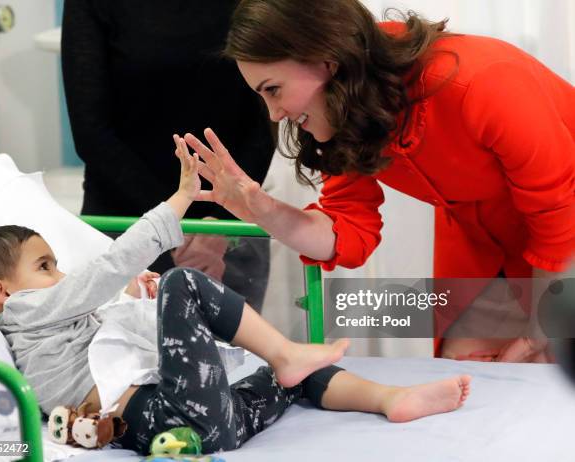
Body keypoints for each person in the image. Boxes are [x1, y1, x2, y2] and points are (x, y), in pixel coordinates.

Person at [0, 137, 470, 455]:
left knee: (285, 380)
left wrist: (140, 301)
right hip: (164, 415)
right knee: (185, 284)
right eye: (46, 266)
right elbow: (106, 268)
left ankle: (391, 399)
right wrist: (179, 201)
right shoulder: (26, 314)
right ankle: (289, 354)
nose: (61, 274)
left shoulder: (61, 326)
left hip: (210, 423)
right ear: (1, 291)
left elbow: (122, 334)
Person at [181, 0, 575, 364]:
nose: (275, 113)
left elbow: (559, 212)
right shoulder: (346, 110)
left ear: (325, 60)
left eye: (273, 90)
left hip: (565, 237)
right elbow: (346, 233)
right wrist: (265, 212)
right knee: (470, 380)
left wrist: (541, 331)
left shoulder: (483, 81)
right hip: (482, 244)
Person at [61, 0, 275, 308]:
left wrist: (218, 222)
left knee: (235, 355)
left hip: (229, 226)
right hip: (127, 228)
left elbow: (267, 119)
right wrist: (175, 222)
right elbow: (91, 131)